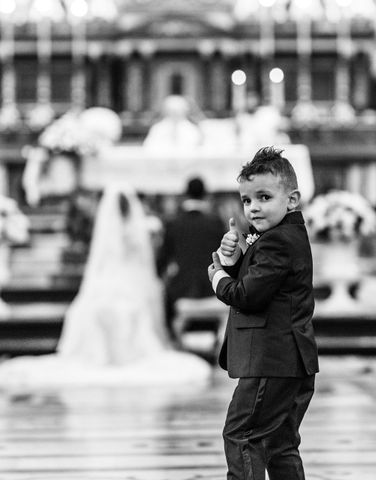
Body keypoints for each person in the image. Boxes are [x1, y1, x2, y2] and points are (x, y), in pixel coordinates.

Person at [0, 182, 212, 389]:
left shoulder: (109, 233)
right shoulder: (139, 230)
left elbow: (99, 263)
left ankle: (100, 355)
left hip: (106, 282)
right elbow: (147, 264)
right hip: (133, 283)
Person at [207, 146, 319, 480]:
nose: (253, 207)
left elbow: (248, 296)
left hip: (271, 360)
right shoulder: (286, 236)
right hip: (291, 360)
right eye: (246, 200)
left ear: (292, 199)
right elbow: (267, 284)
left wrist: (218, 278)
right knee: (279, 444)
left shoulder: (276, 241)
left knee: (241, 434)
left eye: (264, 197)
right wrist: (235, 259)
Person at [156, 177, 226, 339]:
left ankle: (172, 338)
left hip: (182, 289)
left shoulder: (173, 223)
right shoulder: (215, 222)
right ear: (205, 194)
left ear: (185, 194)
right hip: (213, 289)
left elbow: (163, 261)